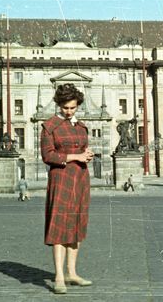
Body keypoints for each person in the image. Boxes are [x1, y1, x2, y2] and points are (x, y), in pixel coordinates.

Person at [41, 83, 94, 294]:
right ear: (58, 105)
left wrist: (87, 154)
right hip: (61, 178)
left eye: (72, 107)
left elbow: (82, 148)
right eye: (65, 107)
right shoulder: (50, 126)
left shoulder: (81, 127)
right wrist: (75, 157)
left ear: (77, 105)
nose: (68, 111)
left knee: (76, 225)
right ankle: (59, 277)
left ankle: (72, 273)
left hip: (80, 178)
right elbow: (48, 156)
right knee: (60, 228)